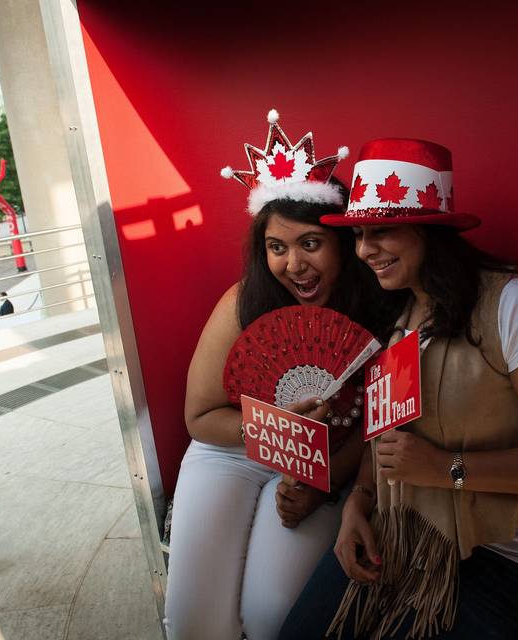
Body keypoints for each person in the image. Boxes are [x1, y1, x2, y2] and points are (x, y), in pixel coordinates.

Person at [280, 139, 518, 639]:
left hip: (511, 556)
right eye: (357, 234)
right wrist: (359, 502)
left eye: (382, 232)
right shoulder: (398, 311)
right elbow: (387, 438)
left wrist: (448, 470)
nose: (363, 251)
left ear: (430, 230)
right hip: (404, 530)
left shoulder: (515, 307)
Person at [164, 111, 399, 640]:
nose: (294, 264)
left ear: (343, 244)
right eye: (277, 247)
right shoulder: (244, 302)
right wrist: (274, 429)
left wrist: (324, 481)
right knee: (194, 625)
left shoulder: (381, 313)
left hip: (322, 468)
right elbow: (200, 416)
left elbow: (382, 428)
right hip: (231, 453)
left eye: (311, 244)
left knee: (272, 617)